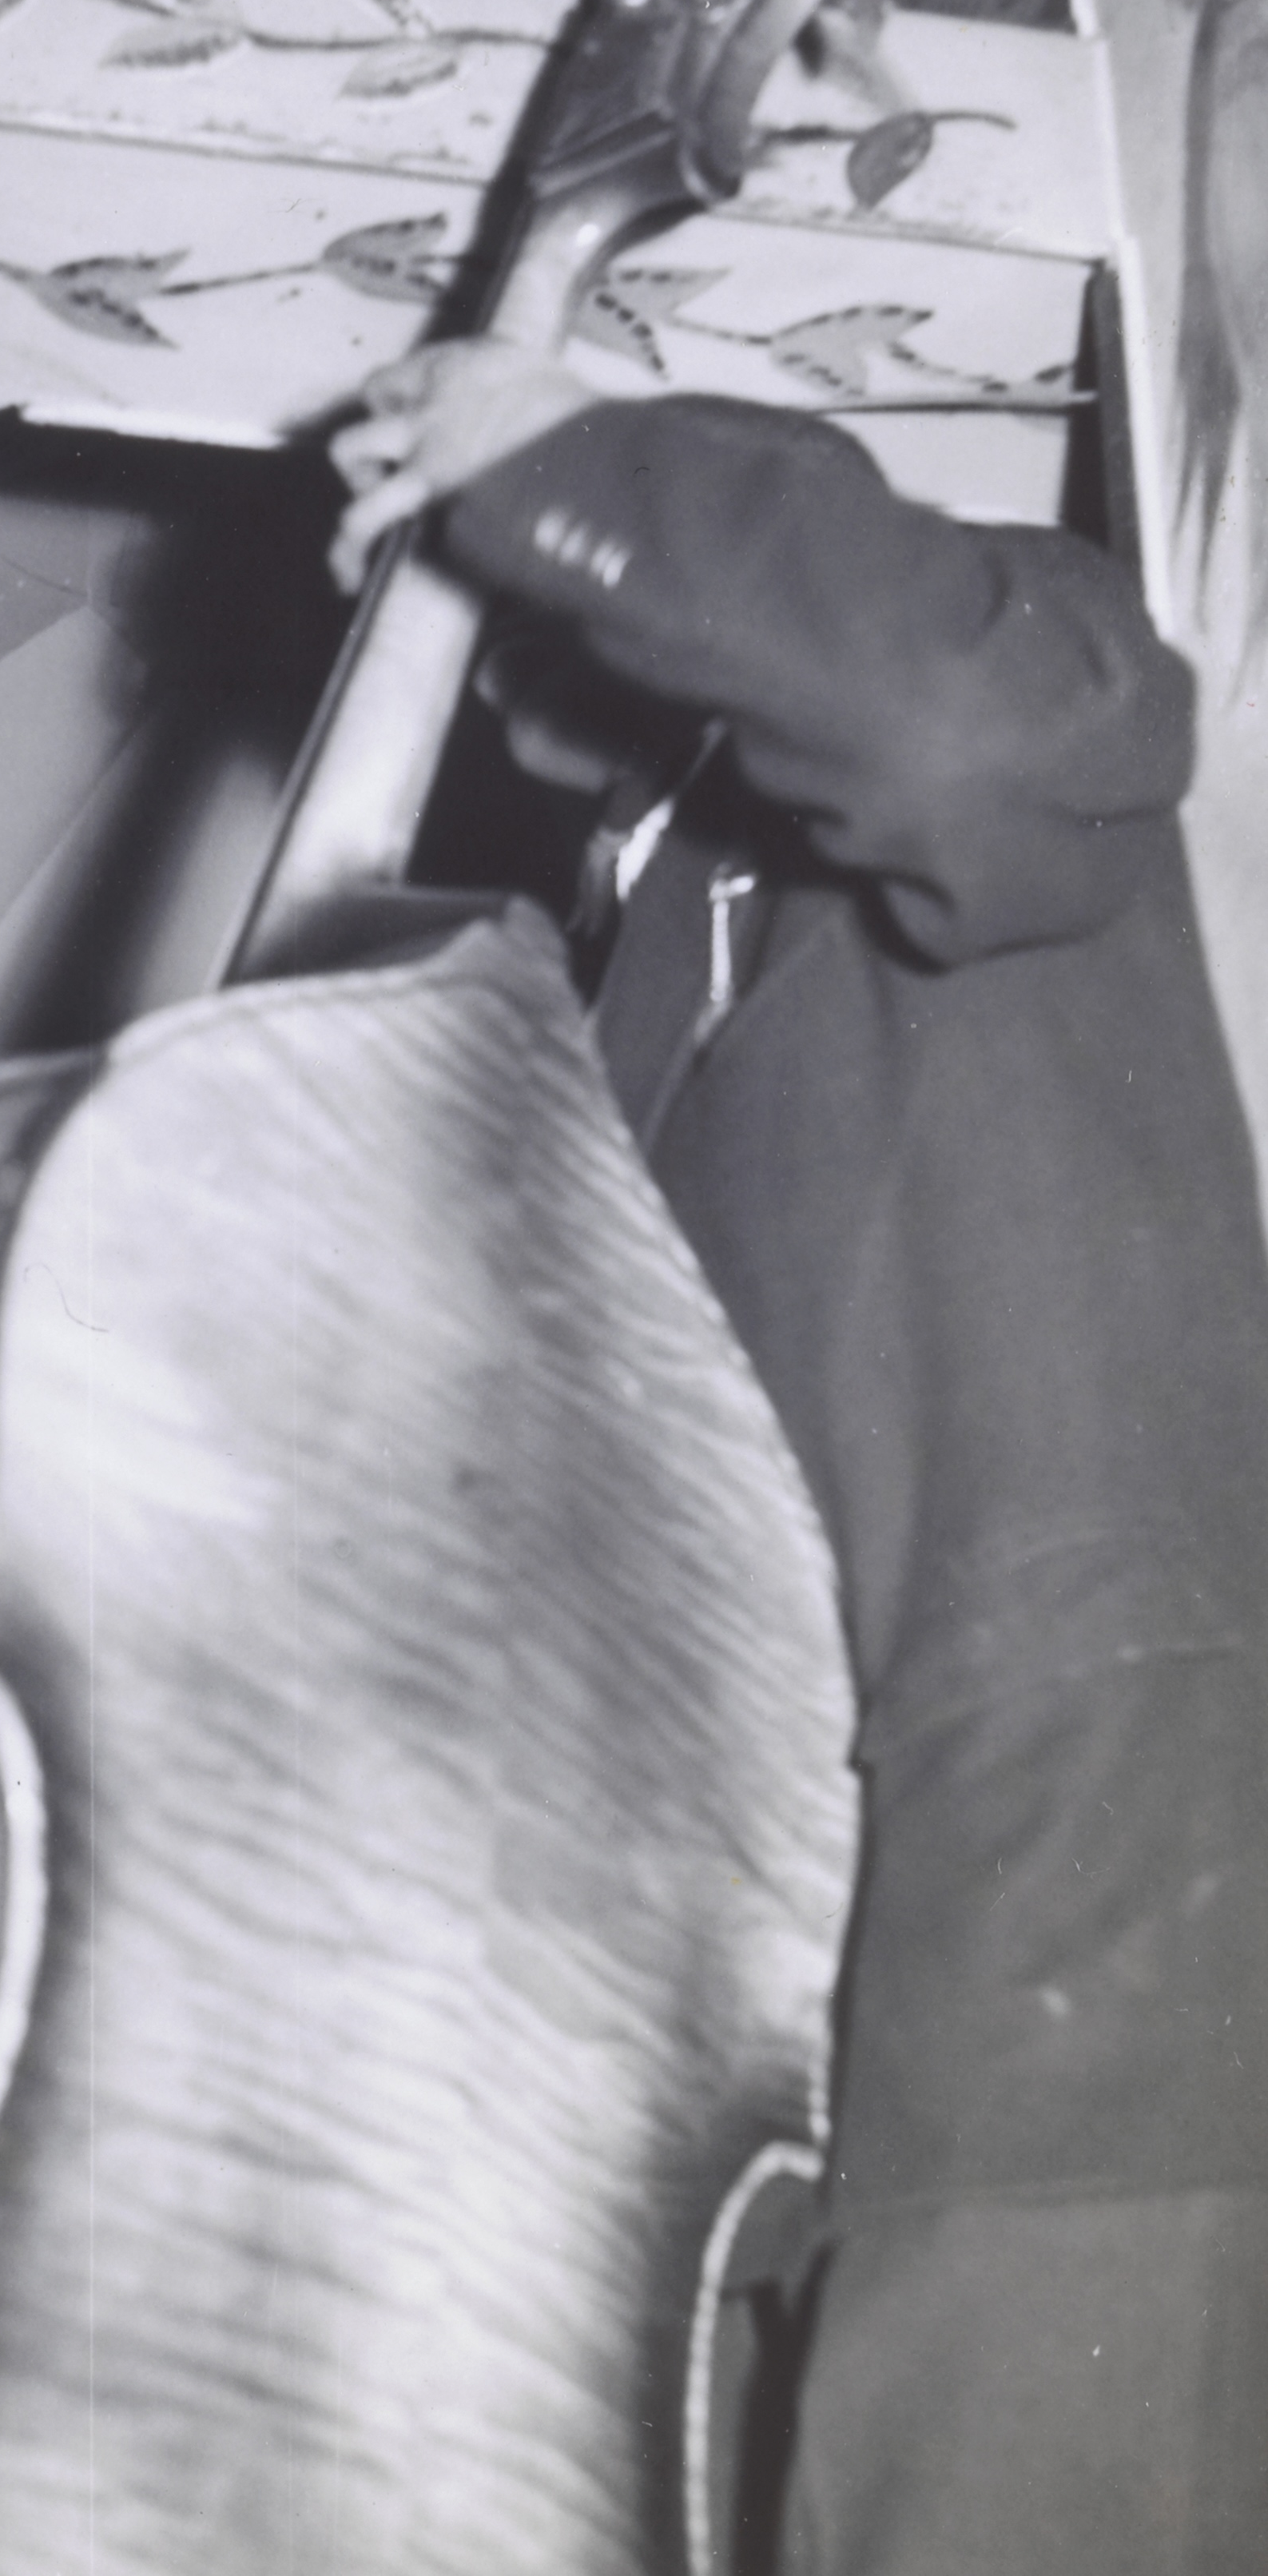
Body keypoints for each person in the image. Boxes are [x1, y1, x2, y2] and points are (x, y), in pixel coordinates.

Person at [328, 340, 1268, 2573]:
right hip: (777, 1996)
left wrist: (564, 464)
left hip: (1073, 1905)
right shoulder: (602, 982)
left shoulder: (980, 709)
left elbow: (967, 729)